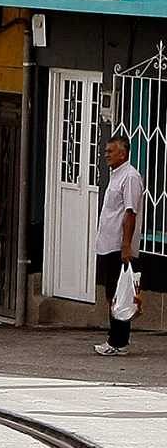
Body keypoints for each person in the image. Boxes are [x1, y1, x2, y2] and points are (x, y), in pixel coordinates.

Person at [95, 133, 145, 356]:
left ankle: (119, 341)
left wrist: (126, 244)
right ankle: (114, 338)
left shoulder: (130, 177)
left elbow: (130, 212)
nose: (106, 154)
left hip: (118, 244)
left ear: (122, 153)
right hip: (106, 243)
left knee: (120, 294)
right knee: (111, 294)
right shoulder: (115, 175)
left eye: (110, 151)